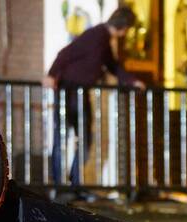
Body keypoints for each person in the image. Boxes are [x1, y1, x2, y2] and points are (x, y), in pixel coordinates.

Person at [45, 6, 144, 190]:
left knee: (83, 139)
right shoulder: (95, 36)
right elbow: (65, 53)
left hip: (79, 94)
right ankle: (60, 185)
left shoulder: (104, 39)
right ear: (124, 27)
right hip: (69, 92)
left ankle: (72, 184)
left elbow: (112, 66)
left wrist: (131, 81)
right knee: (64, 138)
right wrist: (51, 75)